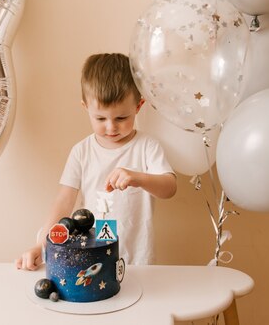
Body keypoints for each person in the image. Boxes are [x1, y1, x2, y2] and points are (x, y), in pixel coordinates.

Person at [16, 53, 177, 270]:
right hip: (92, 260)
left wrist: (137, 178)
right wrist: (42, 244)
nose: (111, 128)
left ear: (138, 107)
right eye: (100, 118)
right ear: (86, 108)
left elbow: (169, 188)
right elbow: (64, 202)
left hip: (138, 260)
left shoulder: (147, 146)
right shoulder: (81, 151)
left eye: (121, 118)